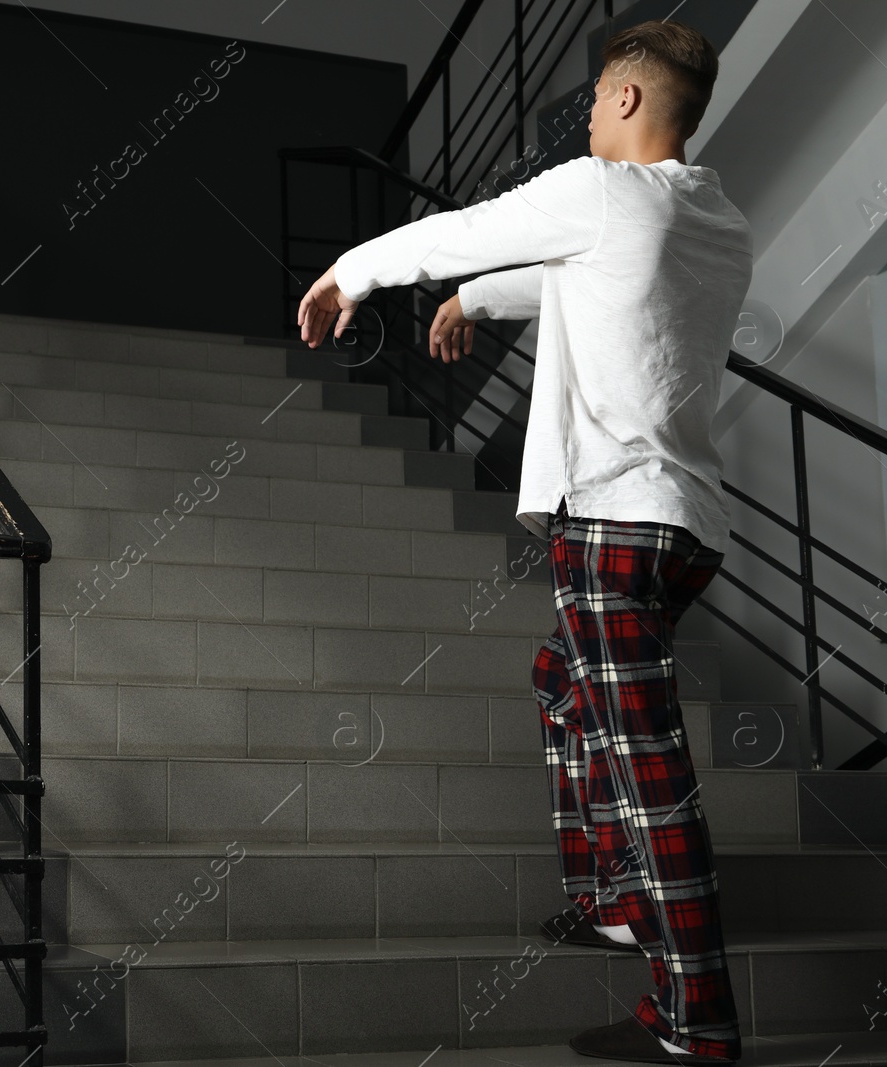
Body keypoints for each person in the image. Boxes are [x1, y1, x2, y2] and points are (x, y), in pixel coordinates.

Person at [296, 17, 752, 1065]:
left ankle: (697, 1019)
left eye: (594, 99)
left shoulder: (598, 193)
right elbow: (560, 272)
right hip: (685, 530)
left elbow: (472, 224)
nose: (585, 116)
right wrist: (472, 300)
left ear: (627, 100)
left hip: (608, 523)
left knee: (648, 771)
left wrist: (350, 273)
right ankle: (608, 899)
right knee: (560, 676)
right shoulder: (712, 216)